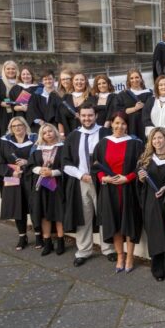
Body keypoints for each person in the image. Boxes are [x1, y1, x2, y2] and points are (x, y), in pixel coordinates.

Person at [61, 103, 114, 266]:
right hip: (82, 182)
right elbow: (65, 162)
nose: (87, 118)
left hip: (103, 182)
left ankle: (109, 248)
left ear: (96, 116)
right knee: (83, 217)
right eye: (83, 115)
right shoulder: (73, 136)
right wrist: (80, 175)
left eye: (90, 115)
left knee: (105, 214)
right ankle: (84, 251)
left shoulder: (105, 133)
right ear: (79, 116)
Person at [93, 112, 144, 273]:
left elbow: (141, 166)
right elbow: (96, 166)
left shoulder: (135, 144)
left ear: (127, 125)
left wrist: (127, 178)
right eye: (116, 123)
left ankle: (130, 256)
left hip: (128, 189)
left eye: (123, 123)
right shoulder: (103, 144)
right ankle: (120, 255)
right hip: (109, 190)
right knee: (114, 224)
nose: (119, 126)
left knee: (129, 224)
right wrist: (105, 178)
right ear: (112, 124)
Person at [137, 128, 165, 282]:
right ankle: (157, 269)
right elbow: (139, 182)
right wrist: (140, 179)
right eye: (154, 139)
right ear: (151, 141)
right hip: (152, 202)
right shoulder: (146, 159)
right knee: (155, 235)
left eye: (160, 138)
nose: (157, 141)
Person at [0, 116, 36, 249]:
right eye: (14, 126)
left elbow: (40, 158)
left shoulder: (34, 140)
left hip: (30, 177)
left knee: (35, 206)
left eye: (20, 125)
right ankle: (22, 237)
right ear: (10, 128)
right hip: (12, 178)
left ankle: (40, 236)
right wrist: (11, 172)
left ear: (25, 126)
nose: (17, 127)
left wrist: (27, 163)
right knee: (18, 208)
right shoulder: (4, 142)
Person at [28, 123, 65, 256]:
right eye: (44, 132)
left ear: (55, 132)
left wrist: (53, 172)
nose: (48, 134)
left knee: (58, 212)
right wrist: (39, 170)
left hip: (57, 184)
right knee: (44, 214)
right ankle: (47, 241)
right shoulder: (37, 149)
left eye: (50, 131)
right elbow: (30, 165)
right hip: (42, 185)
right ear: (41, 135)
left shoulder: (63, 148)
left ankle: (61, 241)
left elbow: (67, 166)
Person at [115, 69, 152, 140]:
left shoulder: (149, 93)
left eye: (137, 77)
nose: (134, 80)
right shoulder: (123, 95)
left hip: (147, 126)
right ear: (128, 80)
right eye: (131, 78)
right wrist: (135, 108)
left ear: (141, 78)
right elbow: (119, 111)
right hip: (131, 126)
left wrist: (145, 106)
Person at [142, 76, 165, 140]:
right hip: (152, 138)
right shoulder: (151, 100)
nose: (163, 87)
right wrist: (155, 133)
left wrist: (162, 132)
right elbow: (145, 118)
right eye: (160, 85)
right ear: (157, 87)